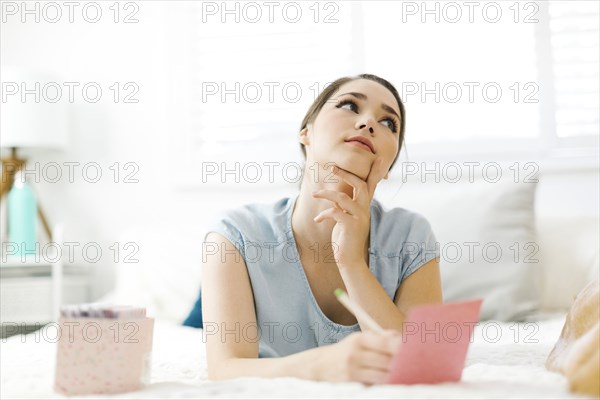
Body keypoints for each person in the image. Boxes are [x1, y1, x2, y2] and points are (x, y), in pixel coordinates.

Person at [201, 74, 443, 384]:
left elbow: (421, 366)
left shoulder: (412, 236)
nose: (369, 122)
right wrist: (320, 366)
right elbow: (225, 370)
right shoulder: (234, 234)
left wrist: (351, 261)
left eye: (389, 123)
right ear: (306, 132)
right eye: (349, 105)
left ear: (390, 159)